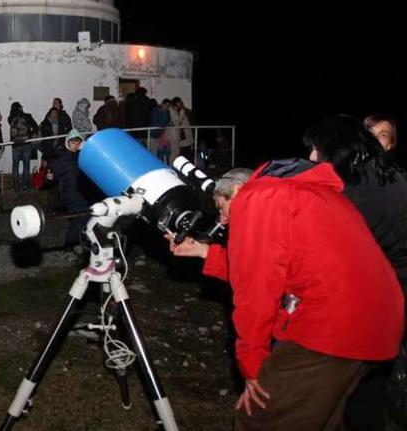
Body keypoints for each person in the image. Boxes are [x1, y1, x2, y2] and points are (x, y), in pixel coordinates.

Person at [169, 161, 404, 430]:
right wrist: (203, 252)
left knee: (262, 419)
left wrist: (253, 363)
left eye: (221, 208)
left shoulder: (257, 197)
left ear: (237, 189)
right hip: (377, 323)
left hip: (332, 326)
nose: (222, 221)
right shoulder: (301, 194)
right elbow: (272, 264)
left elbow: (256, 288)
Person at [303, 115, 407, 430]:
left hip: (383, 300)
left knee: (360, 389)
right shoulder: (389, 177)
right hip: (384, 299)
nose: (311, 158)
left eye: (317, 150)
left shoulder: (362, 189)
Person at [53, 129, 90, 262]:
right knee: (78, 220)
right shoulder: (63, 158)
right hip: (70, 194)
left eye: (78, 142)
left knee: (86, 219)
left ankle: (77, 243)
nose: (75, 145)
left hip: (83, 193)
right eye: (73, 142)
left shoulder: (83, 157)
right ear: (68, 143)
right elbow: (55, 175)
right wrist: (50, 176)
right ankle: (68, 249)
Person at [8, 102, 38, 192]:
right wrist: (30, 135)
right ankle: (25, 185)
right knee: (26, 165)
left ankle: (16, 187)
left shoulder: (10, 118)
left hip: (16, 144)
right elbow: (35, 127)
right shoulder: (28, 116)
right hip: (26, 143)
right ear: (21, 107)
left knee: (15, 166)